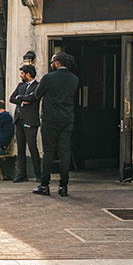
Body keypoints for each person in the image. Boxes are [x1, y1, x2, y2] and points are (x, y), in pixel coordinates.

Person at [30, 51, 80, 198]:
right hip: (67, 119)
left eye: (52, 62)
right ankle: (63, 186)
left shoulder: (48, 78)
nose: (51, 64)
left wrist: (45, 95)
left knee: (48, 152)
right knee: (65, 151)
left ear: (57, 62)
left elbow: (36, 94)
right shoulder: (74, 79)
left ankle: (44, 185)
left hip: (50, 119)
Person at [8, 64, 41, 183]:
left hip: (30, 120)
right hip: (19, 120)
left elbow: (33, 98)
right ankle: (22, 174)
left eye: (22, 73)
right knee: (20, 148)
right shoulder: (20, 85)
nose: (20, 76)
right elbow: (11, 98)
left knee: (32, 146)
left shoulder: (38, 86)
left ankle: (38, 174)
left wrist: (21, 97)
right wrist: (23, 99)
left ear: (28, 74)